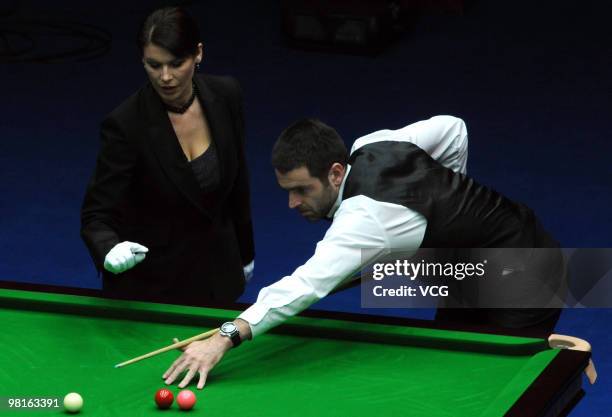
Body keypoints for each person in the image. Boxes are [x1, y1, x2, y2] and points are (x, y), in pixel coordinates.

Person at [162, 115, 565, 389]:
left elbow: (302, 287)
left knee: (503, 389)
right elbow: (453, 129)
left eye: (302, 190)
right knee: (455, 367)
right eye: (287, 191)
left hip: (528, 271)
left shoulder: (364, 222)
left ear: (336, 173)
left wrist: (223, 337)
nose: (293, 203)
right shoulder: (371, 145)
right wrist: (448, 210)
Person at [81, 7, 254, 304]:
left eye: (176, 63)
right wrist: (109, 248)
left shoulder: (227, 95)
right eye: (153, 64)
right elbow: (97, 215)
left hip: (217, 277)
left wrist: (245, 253)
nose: (165, 77)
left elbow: (238, 183)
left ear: (197, 54)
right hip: (150, 287)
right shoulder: (125, 124)